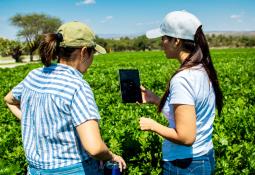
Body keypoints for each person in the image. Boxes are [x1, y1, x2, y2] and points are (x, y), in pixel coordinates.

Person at [4, 21, 126, 175]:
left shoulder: (34, 75)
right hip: (73, 170)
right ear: (83, 52)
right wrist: (111, 156)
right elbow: (94, 148)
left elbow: (9, 100)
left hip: (35, 170)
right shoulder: (77, 86)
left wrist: (31, 120)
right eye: (92, 53)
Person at [139, 10, 223, 175]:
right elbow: (188, 119)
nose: (161, 42)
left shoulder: (183, 79)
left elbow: (186, 137)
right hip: (204, 156)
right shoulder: (202, 69)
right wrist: (156, 100)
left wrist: (153, 126)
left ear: (176, 41)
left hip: (185, 165)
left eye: (164, 38)